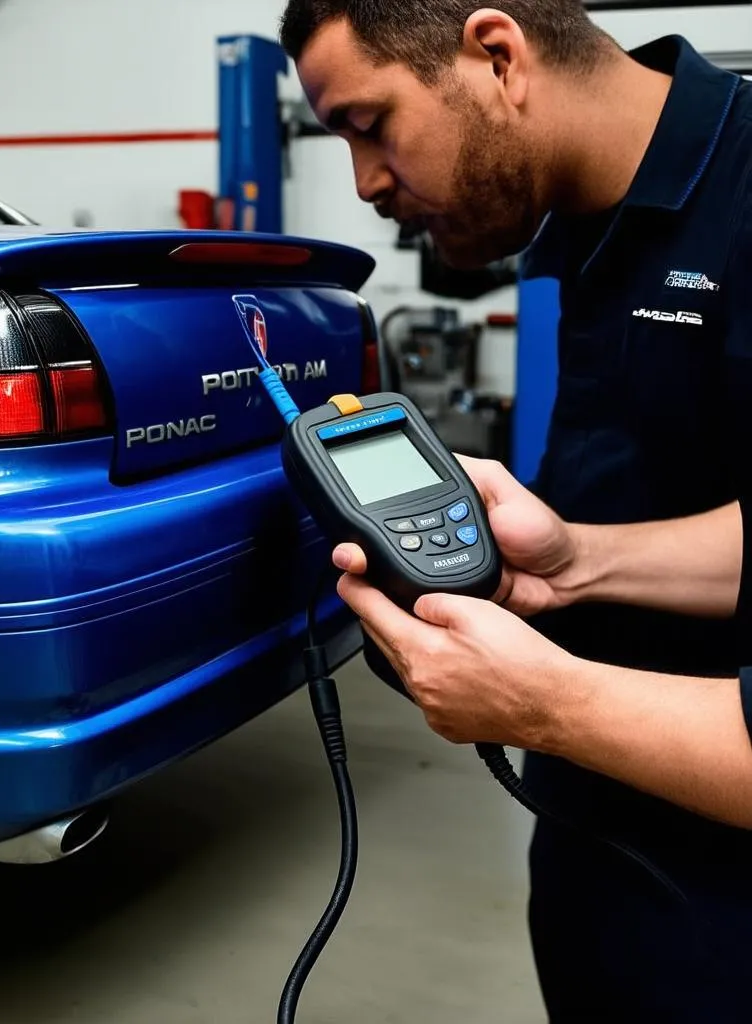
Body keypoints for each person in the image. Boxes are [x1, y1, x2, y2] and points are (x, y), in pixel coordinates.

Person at [278, 1, 752, 1020]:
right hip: (596, 852)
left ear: (495, 56)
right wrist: (576, 560)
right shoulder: (564, 221)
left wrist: (547, 703)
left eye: (369, 125)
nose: (363, 185)